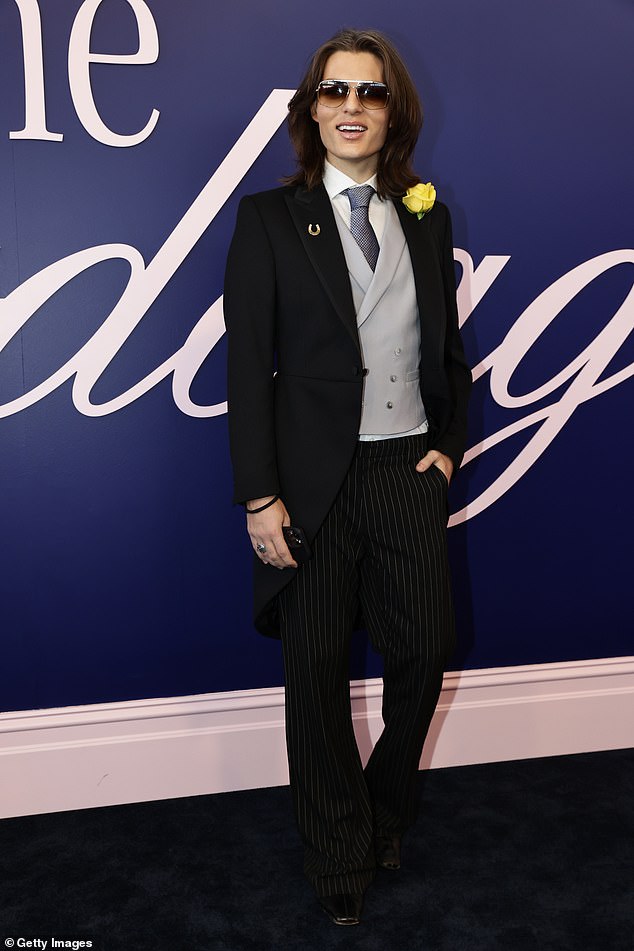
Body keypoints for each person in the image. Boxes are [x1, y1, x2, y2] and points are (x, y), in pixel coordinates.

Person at [224, 28, 471, 926]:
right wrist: (260, 492)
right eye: (334, 92)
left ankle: (384, 808)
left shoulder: (425, 212)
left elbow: (444, 345)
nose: (351, 107)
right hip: (312, 485)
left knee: (424, 650)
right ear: (312, 109)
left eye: (368, 93)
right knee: (317, 671)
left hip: (407, 467)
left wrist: (448, 440)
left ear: (392, 110)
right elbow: (248, 368)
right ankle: (337, 846)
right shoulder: (268, 219)